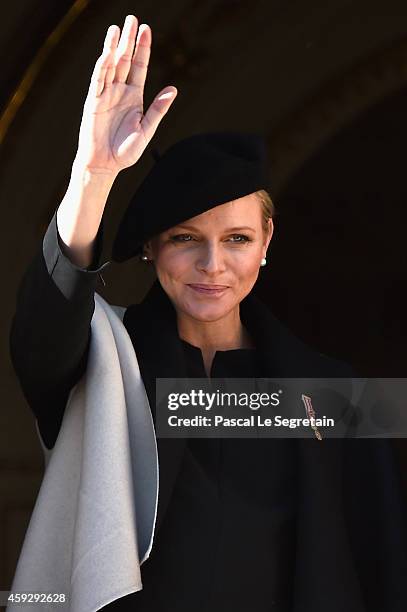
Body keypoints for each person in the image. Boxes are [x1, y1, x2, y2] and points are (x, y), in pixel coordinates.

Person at [8, 14, 407, 612]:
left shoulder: (335, 397)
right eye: (186, 238)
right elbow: (40, 337)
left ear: (268, 240)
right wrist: (91, 177)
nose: (212, 265)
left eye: (238, 239)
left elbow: (378, 568)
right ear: (151, 245)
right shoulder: (105, 364)